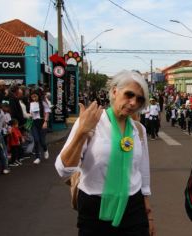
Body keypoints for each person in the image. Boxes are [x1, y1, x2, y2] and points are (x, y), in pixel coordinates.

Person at [55, 70, 155, 236]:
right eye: (129, 94)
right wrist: (81, 133)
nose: (133, 103)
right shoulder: (91, 121)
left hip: (133, 208)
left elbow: (142, 170)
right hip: (95, 208)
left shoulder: (139, 129)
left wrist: (148, 214)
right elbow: (62, 169)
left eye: (139, 99)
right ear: (115, 91)